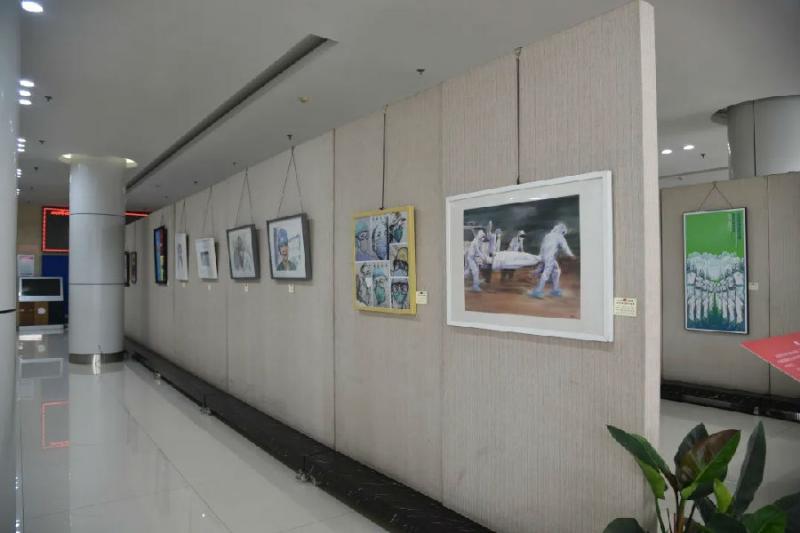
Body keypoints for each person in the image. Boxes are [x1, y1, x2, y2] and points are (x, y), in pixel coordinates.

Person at [529, 223, 575, 299]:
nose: (563, 234)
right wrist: (571, 255)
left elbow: (542, 247)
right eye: (563, 232)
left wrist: (541, 257)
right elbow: (565, 247)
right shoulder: (560, 236)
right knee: (546, 273)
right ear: (562, 231)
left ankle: (555, 289)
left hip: (544, 256)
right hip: (550, 257)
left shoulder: (547, 236)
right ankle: (538, 291)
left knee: (556, 270)